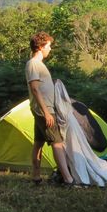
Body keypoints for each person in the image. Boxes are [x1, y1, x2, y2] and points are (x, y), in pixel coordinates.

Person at [26, 31, 75, 186]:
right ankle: (68, 179)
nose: (50, 49)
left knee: (38, 143)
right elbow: (35, 88)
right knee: (57, 142)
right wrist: (47, 113)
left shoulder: (38, 65)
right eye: (48, 46)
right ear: (41, 47)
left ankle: (36, 176)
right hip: (44, 110)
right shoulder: (34, 63)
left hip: (42, 109)